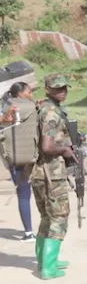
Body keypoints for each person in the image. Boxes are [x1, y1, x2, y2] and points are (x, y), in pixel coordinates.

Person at [31, 74, 74, 280]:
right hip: (51, 174)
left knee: (47, 217)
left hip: (38, 173)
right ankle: (48, 268)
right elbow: (47, 147)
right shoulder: (51, 113)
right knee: (59, 217)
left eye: (64, 87)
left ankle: (45, 261)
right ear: (47, 89)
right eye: (57, 88)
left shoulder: (43, 109)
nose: (62, 91)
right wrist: (65, 150)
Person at [1, 82, 33, 242]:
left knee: (24, 194)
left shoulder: (6, 106)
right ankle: (30, 232)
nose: (31, 94)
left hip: (14, 159)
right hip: (25, 158)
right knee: (25, 194)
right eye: (29, 92)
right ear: (20, 93)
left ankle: (29, 232)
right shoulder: (28, 107)